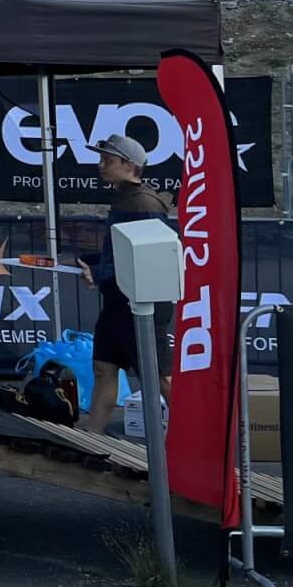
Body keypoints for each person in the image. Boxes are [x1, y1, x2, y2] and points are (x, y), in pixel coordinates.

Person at [82, 133, 175, 434]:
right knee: (104, 368)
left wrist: (98, 272)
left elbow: (149, 257)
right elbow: (124, 252)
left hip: (142, 303)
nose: (101, 165)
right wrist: (93, 265)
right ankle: (92, 438)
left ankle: (196, 438)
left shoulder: (143, 203)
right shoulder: (128, 198)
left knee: (158, 377)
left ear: (129, 165)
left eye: (107, 159)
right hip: (119, 302)